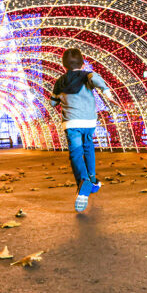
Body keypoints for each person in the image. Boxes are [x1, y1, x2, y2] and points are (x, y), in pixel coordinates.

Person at [49, 48, 116, 212]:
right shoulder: (88, 75)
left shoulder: (60, 82)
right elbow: (98, 80)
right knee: (88, 147)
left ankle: (84, 180)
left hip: (72, 123)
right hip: (89, 122)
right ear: (83, 62)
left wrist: (61, 99)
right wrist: (107, 93)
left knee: (76, 153)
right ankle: (92, 178)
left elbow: (52, 103)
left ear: (64, 65)